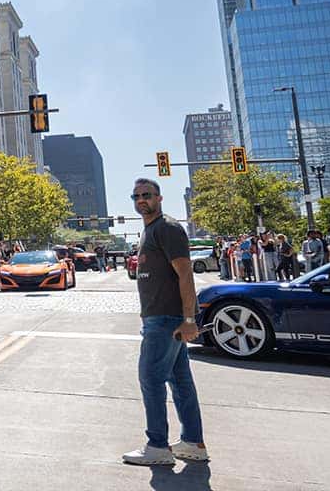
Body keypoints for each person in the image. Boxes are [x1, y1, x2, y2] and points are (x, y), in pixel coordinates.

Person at [122, 178, 207, 466]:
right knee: (180, 381)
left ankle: (157, 445)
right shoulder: (150, 230)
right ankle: (192, 442)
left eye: (147, 195)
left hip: (167, 320)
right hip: (160, 318)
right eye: (136, 196)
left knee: (151, 378)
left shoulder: (167, 228)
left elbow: (185, 274)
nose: (141, 200)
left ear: (159, 197)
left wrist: (189, 318)